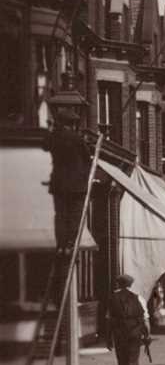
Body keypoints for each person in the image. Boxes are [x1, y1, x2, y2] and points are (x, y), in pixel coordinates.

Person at [45, 106, 91, 255]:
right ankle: (70, 244)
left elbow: (45, 146)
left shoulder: (54, 138)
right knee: (74, 214)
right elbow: (87, 158)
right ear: (72, 123)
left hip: (59, 184)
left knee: (60, 215)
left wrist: (51, 129)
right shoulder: (78, 139)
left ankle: (61, 245)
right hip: (77, 185)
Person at [105, 273, 149, 365]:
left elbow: (108, 320)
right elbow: (145, 319)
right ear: (131, 284)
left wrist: (108, 338)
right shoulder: (138, 298)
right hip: (135, 333)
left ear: (119, 284)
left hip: (119, 334)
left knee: (122, 360)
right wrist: (147, 335)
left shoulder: (112, 298)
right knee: (133, 360)